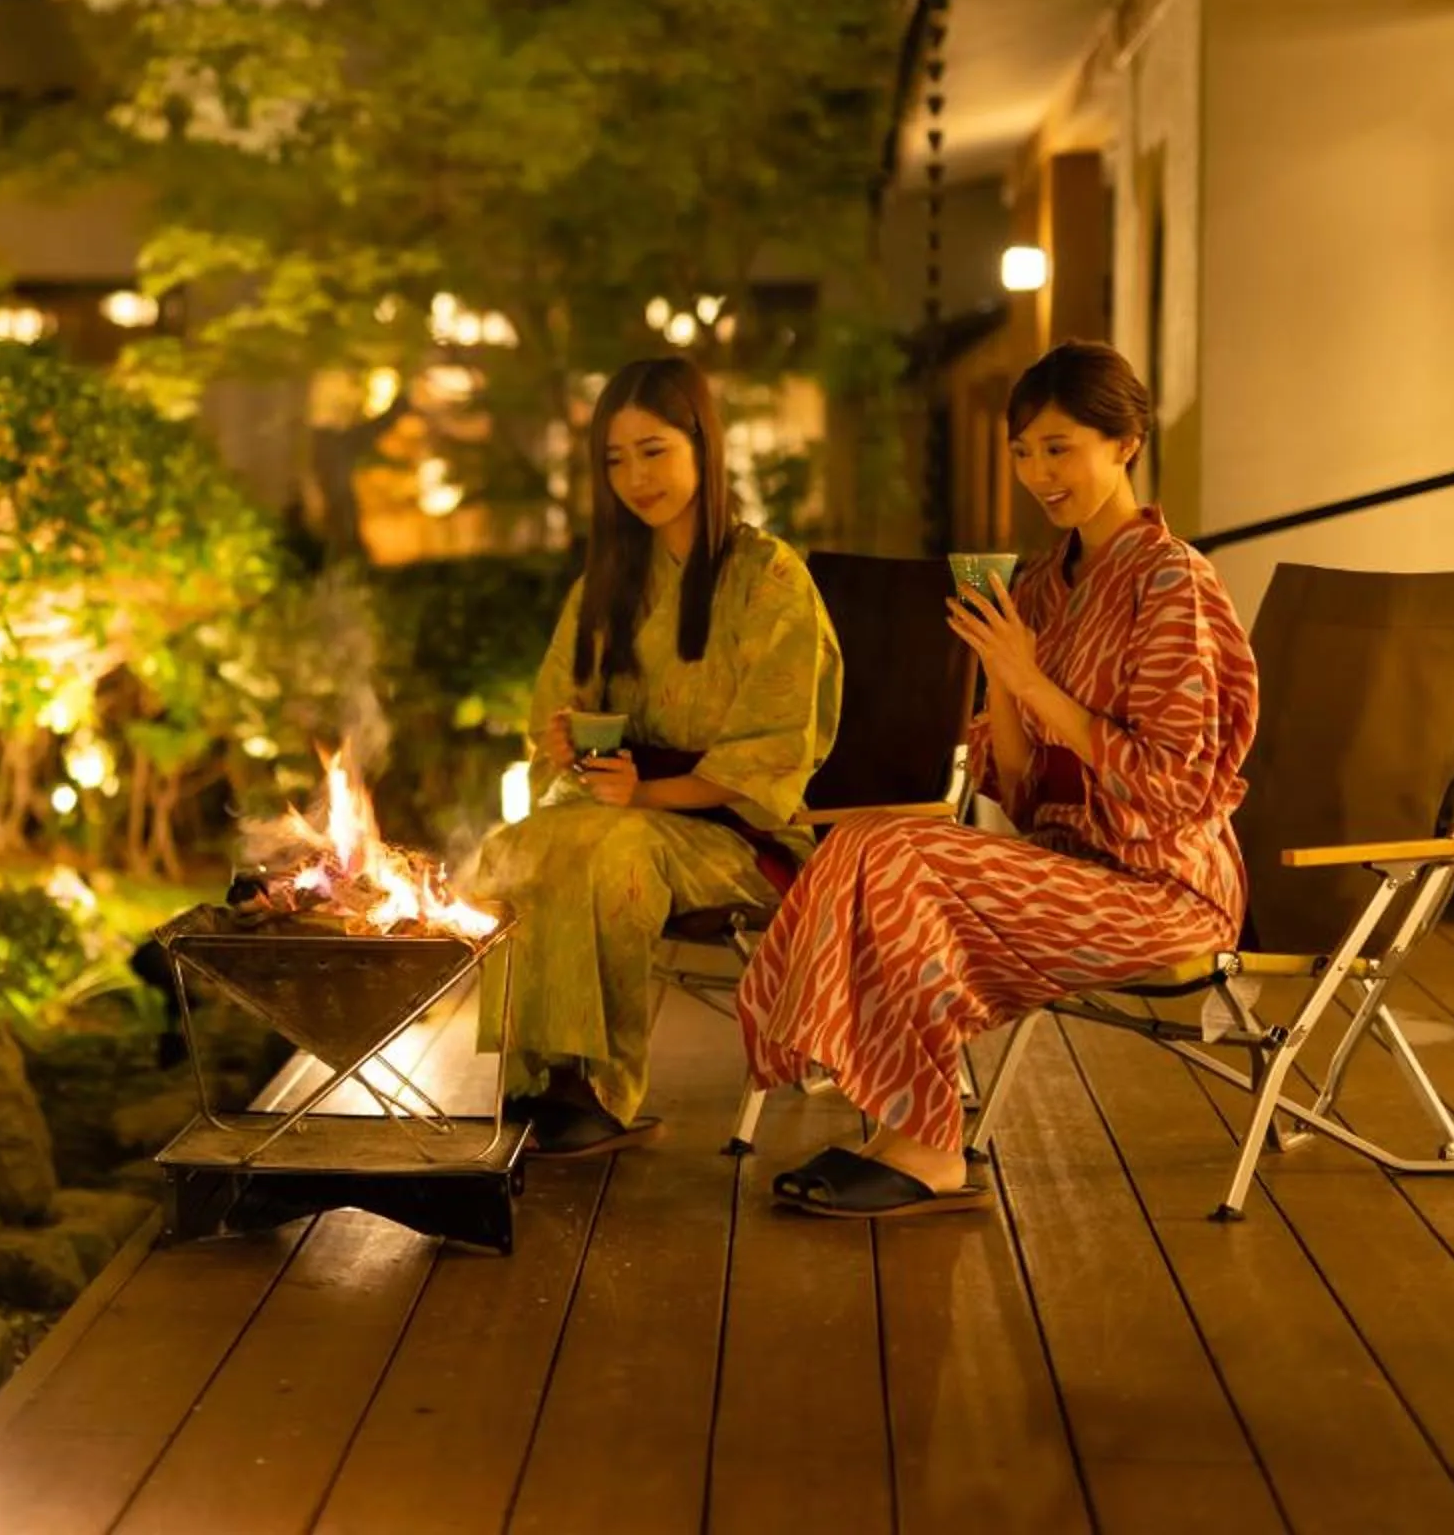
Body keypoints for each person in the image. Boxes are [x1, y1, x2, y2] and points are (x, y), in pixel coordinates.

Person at [736, 340, 1258, 1217]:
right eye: (1023, 451)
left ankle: (928, 1147)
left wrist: (1027, 679)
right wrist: (1001, 682)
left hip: (1163, 890)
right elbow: (1019, 794)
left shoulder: (1174, 581)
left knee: (906, 863)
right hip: (1065, 867)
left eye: (1060, 447)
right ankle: (903, 1129)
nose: (1037, 472)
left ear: (1124, 443)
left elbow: (1175, 787)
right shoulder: (1049, 582)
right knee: (868, 837)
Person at [473, 357, 842, 1160]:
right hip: (622, 806)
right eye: (615, 459)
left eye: (654, 450)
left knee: (610, 847)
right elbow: (553, 719)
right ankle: (538, 1071)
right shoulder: (605, 583)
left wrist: (648, 795)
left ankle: (598, 1087)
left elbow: (774, 751)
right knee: (516, 846)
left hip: (733, 832)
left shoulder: (768, 576)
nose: (635, 477)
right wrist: (568, 745)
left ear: (703, 448)